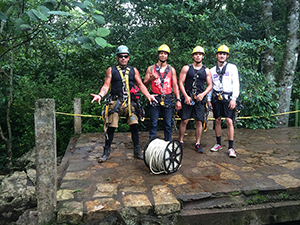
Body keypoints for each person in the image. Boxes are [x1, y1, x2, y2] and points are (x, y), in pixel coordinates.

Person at [90, 45, 157, 163]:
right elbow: (106, 85)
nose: (123, 58)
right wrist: (100, 95)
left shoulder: (133, 70)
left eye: (125, 56)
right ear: (117, 57)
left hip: (130, 102)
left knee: (134, 125)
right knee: (111, 126)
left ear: (129, 57)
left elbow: (141, 85)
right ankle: (106, 151)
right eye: (121, 56)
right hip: (115, 101)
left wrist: (149, 96)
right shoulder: (111, 70)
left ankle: (137, 150)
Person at [143, 44, 182, 141]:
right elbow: (144, 85)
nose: (163, 55)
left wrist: (178, 99)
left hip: (168, 98)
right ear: (158, 55)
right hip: (154, 97)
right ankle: (152, 144)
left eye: (165, 54)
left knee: (168, 124)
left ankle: (168, 143)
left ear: (167, 55)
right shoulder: (151, 69)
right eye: (161, 53)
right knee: (153, 123)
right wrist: (150, 79)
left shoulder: (171, 70)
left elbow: (175, 85)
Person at [207, 45, 240, 158]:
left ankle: (231, 147)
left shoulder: (232, 68)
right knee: (217, 120)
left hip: (228, 97)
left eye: (224, 54)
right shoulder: (212, 70)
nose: (222, 56)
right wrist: (208, 99)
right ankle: (218, 143)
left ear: (227, 56)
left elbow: (235, 83)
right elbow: (210, 86)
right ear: (217, 55)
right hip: (216, 97)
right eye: (220, 54)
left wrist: (234, 98)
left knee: (229, 121)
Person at [178, 46, 212, 153]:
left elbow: (210, 85)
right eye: (196, 54)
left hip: (199, 98)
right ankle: (180, 141)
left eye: (200, 54)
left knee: (199, 121)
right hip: (188, 96)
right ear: (193, 56)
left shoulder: (206, 70)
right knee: (185, 120)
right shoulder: (186, 68)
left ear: (203, 56)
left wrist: (203, 94)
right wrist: (186, 96)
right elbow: (180, 83)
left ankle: (197, 143)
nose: (198, 56)